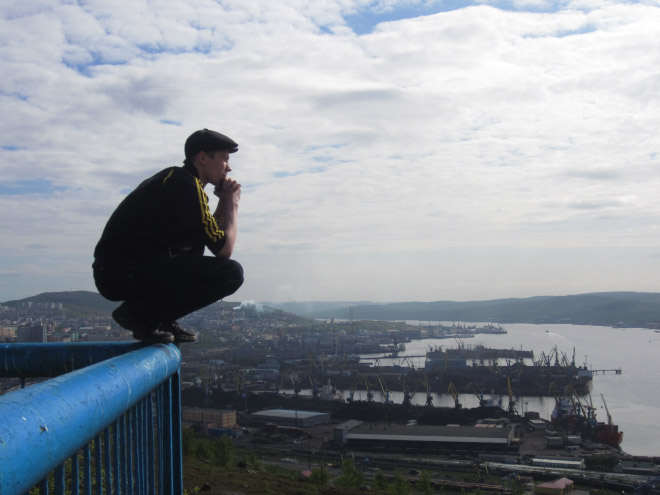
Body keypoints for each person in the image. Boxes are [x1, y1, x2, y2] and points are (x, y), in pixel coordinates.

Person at [92, 129, 244, 343]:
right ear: (202, 158)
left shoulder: (178, 182)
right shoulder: (187, 186)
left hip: (121, 269)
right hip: (124, 272)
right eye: (224, 160)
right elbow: (224, 250)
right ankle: (142, 315)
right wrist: (233, 202)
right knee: (231, 273)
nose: (228, 168)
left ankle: (159, 318)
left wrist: (223, 200)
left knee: (195, 252)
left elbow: (208, 237)